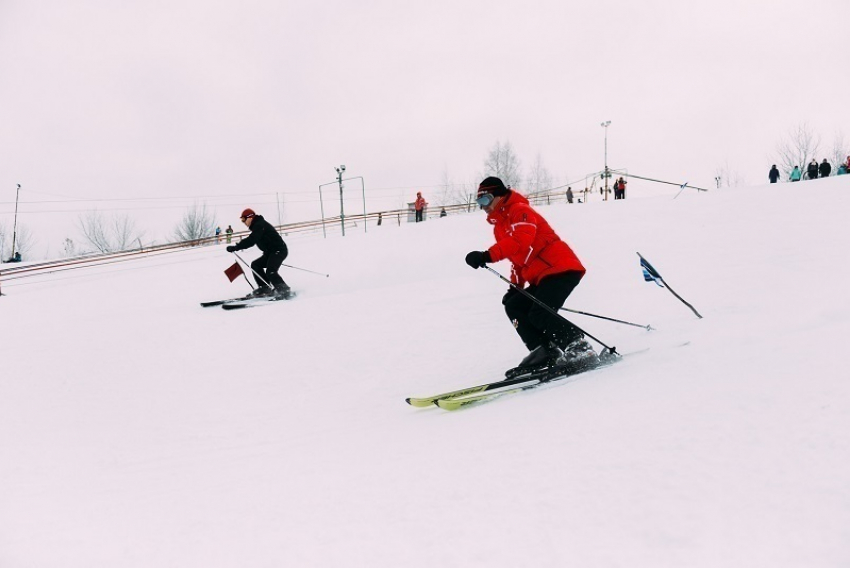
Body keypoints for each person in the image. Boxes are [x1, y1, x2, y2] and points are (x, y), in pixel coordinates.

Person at [464, 176, 598, 376]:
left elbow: (521, 241)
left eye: (484, 200)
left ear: (499, 196)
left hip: (561, 268)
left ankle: (580, 348)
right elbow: (517, 259)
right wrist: (515, 287)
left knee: (540, 312)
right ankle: (545, 350)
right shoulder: (499, 227)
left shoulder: (520, 210)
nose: (482, 206)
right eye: (478, 202)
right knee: (515, 304)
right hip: (542, 275)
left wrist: (487, 256)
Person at [225, 208, 291, 299]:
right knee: (256, 265)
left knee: (271, 271)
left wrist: (236, 247)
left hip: (279, 250)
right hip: (270, 252)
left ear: (250, 217)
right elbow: (253, 239)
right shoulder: (257, 226)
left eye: (244, 219)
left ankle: (284, 290)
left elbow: (252, 240)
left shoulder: (260, 225)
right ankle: (264, 288)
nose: (243, 222)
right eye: (242, 220)